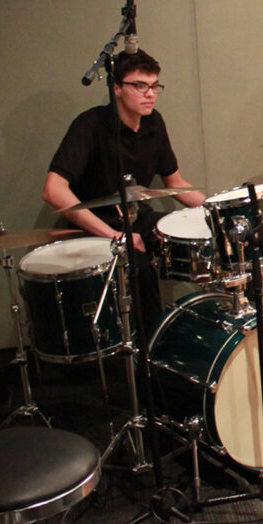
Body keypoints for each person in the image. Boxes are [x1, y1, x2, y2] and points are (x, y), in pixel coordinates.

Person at [42, 49, 206, 328]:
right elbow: (53, 190)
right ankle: (150, 345)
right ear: (116, 88)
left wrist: (216, 210)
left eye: (154, 86)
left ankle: (225, 326)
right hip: (97, 227)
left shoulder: (154, 122)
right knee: (138, 269)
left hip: (138, 218)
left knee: (207, 236)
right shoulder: (90, 125)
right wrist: (117, 237)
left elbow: (175, 182)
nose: (150, 94)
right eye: (140, 86)